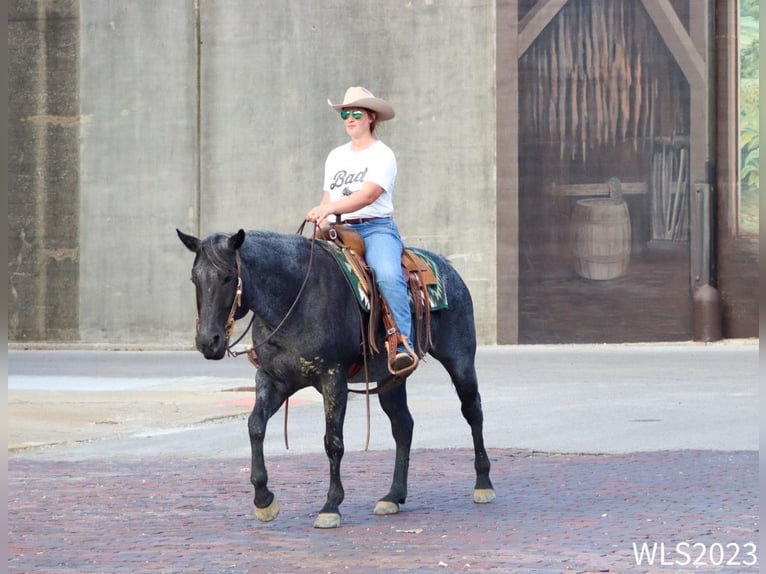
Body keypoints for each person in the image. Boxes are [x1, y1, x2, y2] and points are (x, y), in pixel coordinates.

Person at [306, 86, 416, 374]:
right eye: (345, 113)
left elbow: (368, 196)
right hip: (340, 229)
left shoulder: (382, 155)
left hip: (375, 229)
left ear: (371, 117)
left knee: (388, 275)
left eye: (356, 113)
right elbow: (327, 199)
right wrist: (322, 219)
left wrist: (328, 210)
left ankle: (402, 344)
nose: (349, 118)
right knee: (306, 270)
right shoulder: (335, 157)